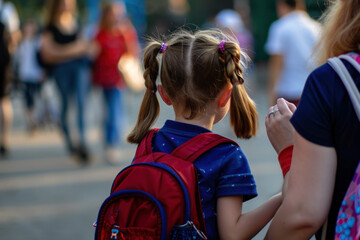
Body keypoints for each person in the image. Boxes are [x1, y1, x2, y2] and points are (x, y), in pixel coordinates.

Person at [126, 29, 282, 239]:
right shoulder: (226, 156)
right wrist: (281, 198)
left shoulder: (148, 143)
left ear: (164, 94)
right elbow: (233, 234)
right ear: (226, 95)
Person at [264, 0, 360, 239]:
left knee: (306, 175)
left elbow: (304, 213)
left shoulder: (281, 27)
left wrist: (271, 95)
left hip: (300, 95)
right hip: (308, 88)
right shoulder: (313, 26)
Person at [41, 0, 92, 163]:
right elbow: (47, 54)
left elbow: (85, 46)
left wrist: (61, 51)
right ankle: (70, 142)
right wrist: (73, 50)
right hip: (61, 71)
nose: (67, 4)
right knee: (65, 105)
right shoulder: (51, 26)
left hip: (79, 69)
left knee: (81, 104)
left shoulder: (75, 21)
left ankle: (82, 142)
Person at [90, 1, 140, 163]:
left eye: (120, 13)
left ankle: (111, 143)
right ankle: (109, 142)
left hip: (118, 79)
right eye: (114, 13)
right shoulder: (100, 32)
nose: (117, 17)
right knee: (108, 111)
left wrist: (125, 33)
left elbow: (133, 53)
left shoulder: (125, 32)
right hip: (102, 78)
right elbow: (94, 54)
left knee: (114, 110)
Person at [265, 0, 320, 106]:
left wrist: (271, 95)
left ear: (281, 5)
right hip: (313, 91)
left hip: (288, 94)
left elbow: (276, 63)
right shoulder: (315, 27)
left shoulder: (279, 27)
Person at [14, 19, 44, 133]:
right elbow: (16, 59)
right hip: (24, 75)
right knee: (27, 100)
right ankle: (30, 122)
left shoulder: (38, 41)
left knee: (34, 98)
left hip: (36, 75)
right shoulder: (20, 43)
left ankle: (34, 119)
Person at [0, 0, 20, 157]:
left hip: (2, 61)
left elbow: (14, 36)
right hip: (3, 60)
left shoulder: (6, 9)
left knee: (4, 100)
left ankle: (4, 140)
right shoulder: (7, 9)